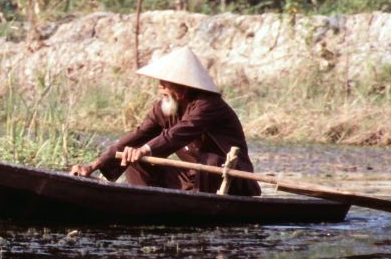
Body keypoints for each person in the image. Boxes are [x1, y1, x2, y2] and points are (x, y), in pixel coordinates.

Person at [69, 47, 261, 196]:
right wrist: (92, 166)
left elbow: (178, 134)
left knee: (210, 160)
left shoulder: (208, 105)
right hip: (192, 179)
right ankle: (146, 201)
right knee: (134, 157)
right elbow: (137, 136)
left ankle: (200, 205)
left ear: (183, 88)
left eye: (165, 83)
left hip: (230, 181)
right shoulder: (164, 107)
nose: (160, 87)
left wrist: (144, 149)